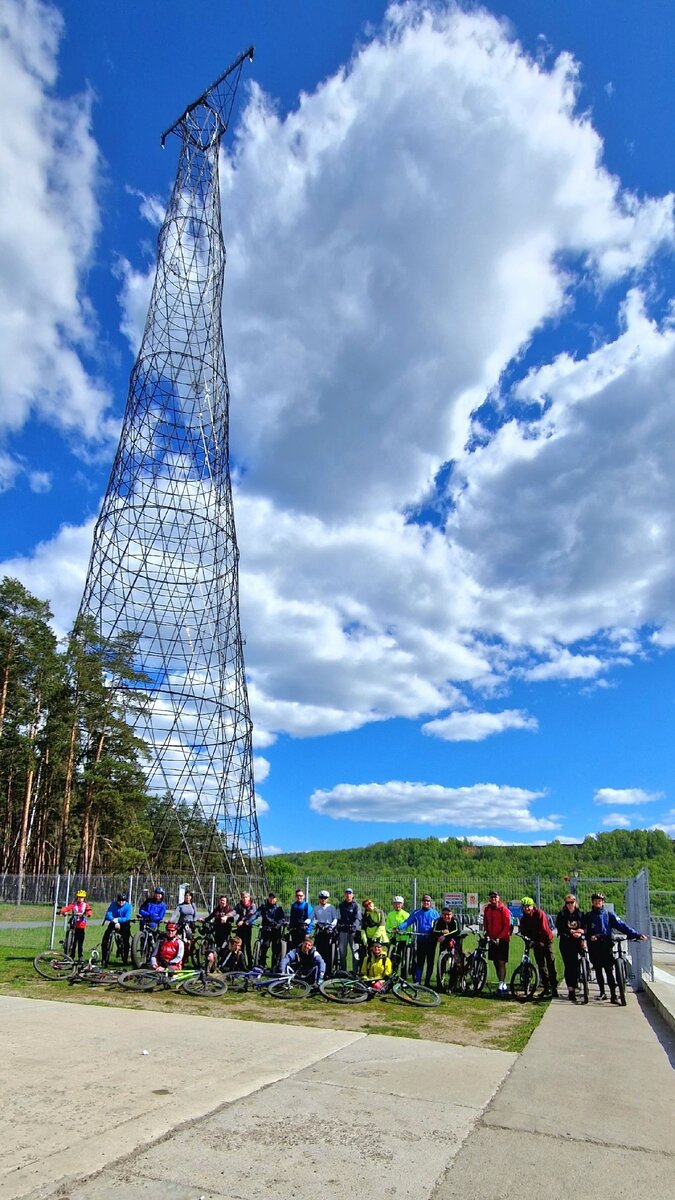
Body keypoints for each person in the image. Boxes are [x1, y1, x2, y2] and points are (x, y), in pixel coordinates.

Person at [583, 892, 648, 1004]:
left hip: (606, 944)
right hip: (593, 945)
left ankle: (613, 995)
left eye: (600, 900)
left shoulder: (608, 914)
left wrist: (636, 934)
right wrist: (589, 936)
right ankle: (602, 992)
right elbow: (584, 929)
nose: (597, 902)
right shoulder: (588, 916)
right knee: (598, 969)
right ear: (592, 902)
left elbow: (622, 925)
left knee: (608, 970)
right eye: (595, 900)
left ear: (603, 902)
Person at [519, 897, 559, 998]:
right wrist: (527, 940)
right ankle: (546, 987)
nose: (527, 908)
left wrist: (542, 941)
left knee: (550, 963)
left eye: (528, 906)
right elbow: (524, 931)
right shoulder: (524, 918)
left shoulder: (539, 914)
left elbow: (544, 929)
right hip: (536, 942)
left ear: (532, 906)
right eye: (524, 907)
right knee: (541, 966)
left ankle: (554, 988)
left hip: (546, 940)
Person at [396, 895, 440, 985]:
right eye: (424, 901)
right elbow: (408, 922)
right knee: (420, 962)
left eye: (428, 901)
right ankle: (417, 981)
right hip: (420, 941)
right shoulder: (416, 913)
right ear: (422, 902)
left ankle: (427, 982)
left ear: (430, 903)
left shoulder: (435, 914)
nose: (426, 903)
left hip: (431, 941)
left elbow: (439, 925)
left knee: (430, 962)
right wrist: (399, 928)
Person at [556, 893, 587, 1002]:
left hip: (578, 941)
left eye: (572, 902)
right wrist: (571, 931)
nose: (570, 905)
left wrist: (581, 931)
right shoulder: (562, 915)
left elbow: (585, 927)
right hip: (566, 942)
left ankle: (583, 976)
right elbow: (560, 928)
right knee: (569, 966)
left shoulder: (580, 914)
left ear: (575, 903)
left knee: (581, 961)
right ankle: (571, 989)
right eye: (568, 903)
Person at [483, 890, 512, 996]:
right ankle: (503, 984)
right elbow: (485, 922)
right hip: (492, 939)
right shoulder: (487, 909)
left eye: (495, 897)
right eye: (491, 897)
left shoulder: (503, 910)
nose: (493, 899)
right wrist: (486, 932)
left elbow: (507, 925)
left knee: (501, 962)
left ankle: (501, 984)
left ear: (499, 898)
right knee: (495, 962)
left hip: (502, 940)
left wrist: (500, 937)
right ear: (489, 899)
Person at [255, 892, 286, 969]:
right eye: (270, 897)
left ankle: (274, 966)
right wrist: (249, 921)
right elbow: (256, 914)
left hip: (276, 931)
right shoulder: (263, 907)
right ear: (268, 898)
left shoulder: (279, 909)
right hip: (266, 930)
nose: (272, 899)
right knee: (265, 946)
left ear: (276, 899)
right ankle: (261, 965)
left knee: (275, 949)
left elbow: (282, 919)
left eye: (273, 898)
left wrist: (278, 925)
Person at [312, 891, 339, 977]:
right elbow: (311, 917)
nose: (323, 900)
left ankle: (328, 971)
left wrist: (332, 926)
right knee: (319, 951)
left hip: (329, 931)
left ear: (327, 899)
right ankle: (319, 969)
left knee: (328, 952)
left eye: (325, 898)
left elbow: (335, 919)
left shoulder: (331, 907)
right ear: (319, 899)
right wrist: (307, 922)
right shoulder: (316, 908)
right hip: (320, 931)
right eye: (321, 898)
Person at [60, 890, 92, 962]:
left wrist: (88, 914)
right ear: (77, 897)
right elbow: (67, 908)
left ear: (84, 898)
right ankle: (71, 955)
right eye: (79, 897)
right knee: (73, 942)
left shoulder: (86, 905)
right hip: (73, 924)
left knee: (80, 942)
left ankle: (80, 956)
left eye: (82, 897)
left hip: (81, 926)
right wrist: (62, 911)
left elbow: (89, 911)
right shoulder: (74, 904)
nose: (80, 899)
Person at [102, 892, 133, 964]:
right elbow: (108, 914)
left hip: (124, 924)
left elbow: (127, 918)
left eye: (123, 901)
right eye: (120, 901)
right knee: (106, 937)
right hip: (114, 922)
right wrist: (114, 920)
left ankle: (125, 958)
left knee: (126, 939)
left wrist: (118, 920)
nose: (121, 902)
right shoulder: (113, 904)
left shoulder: (128, 906)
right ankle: (104, 958)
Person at [337, 888, 361, 973]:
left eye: (350, 893)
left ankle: (355, 972)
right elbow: (338, 917)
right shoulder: (341, 905)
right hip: (343, 931)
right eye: (346, 893)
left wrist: (354, 926)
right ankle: (343, 971)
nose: (348, 895)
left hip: (353, 932)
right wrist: (340, 925)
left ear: (352, 895)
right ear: (344, 895)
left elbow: (358, 917)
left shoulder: (356, 905)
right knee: (342, 952)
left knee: (355, 952)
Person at [234, 891, 257, 968]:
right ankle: (241, 964)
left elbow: (250, 914)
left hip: (247, 928)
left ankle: (250, 964)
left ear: (249, 898)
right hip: (240, 928)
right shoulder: (239, 905)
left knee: (248, 947)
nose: (244, 899)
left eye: (246, 897)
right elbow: (234, 912)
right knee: (240, 946)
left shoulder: (252, 905)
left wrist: (243, 921)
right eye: (243, 897)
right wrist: (227, 916)